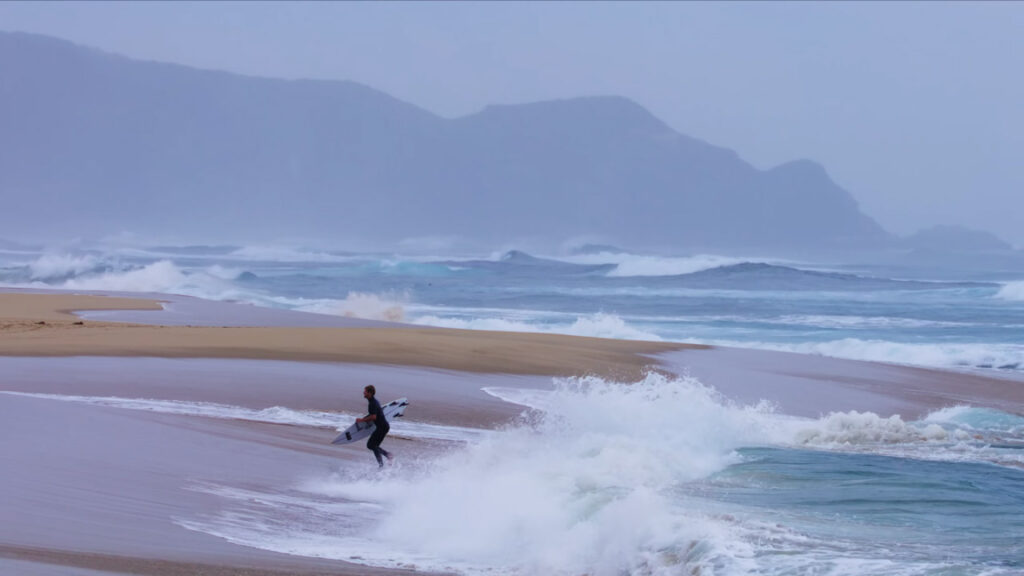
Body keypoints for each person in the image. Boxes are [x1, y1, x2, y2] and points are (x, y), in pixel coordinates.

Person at [357, 385, 392, 467]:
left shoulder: (372, 403)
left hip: (382, 427)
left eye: (365, 391)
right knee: (374, 446)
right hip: (383, 426)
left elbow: (373, 417)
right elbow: (374, 415)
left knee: (371, 445)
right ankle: (383, 461)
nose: (363, 393)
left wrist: (362, 420)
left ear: (370, 393)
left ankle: (386, 457)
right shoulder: (373, 401)